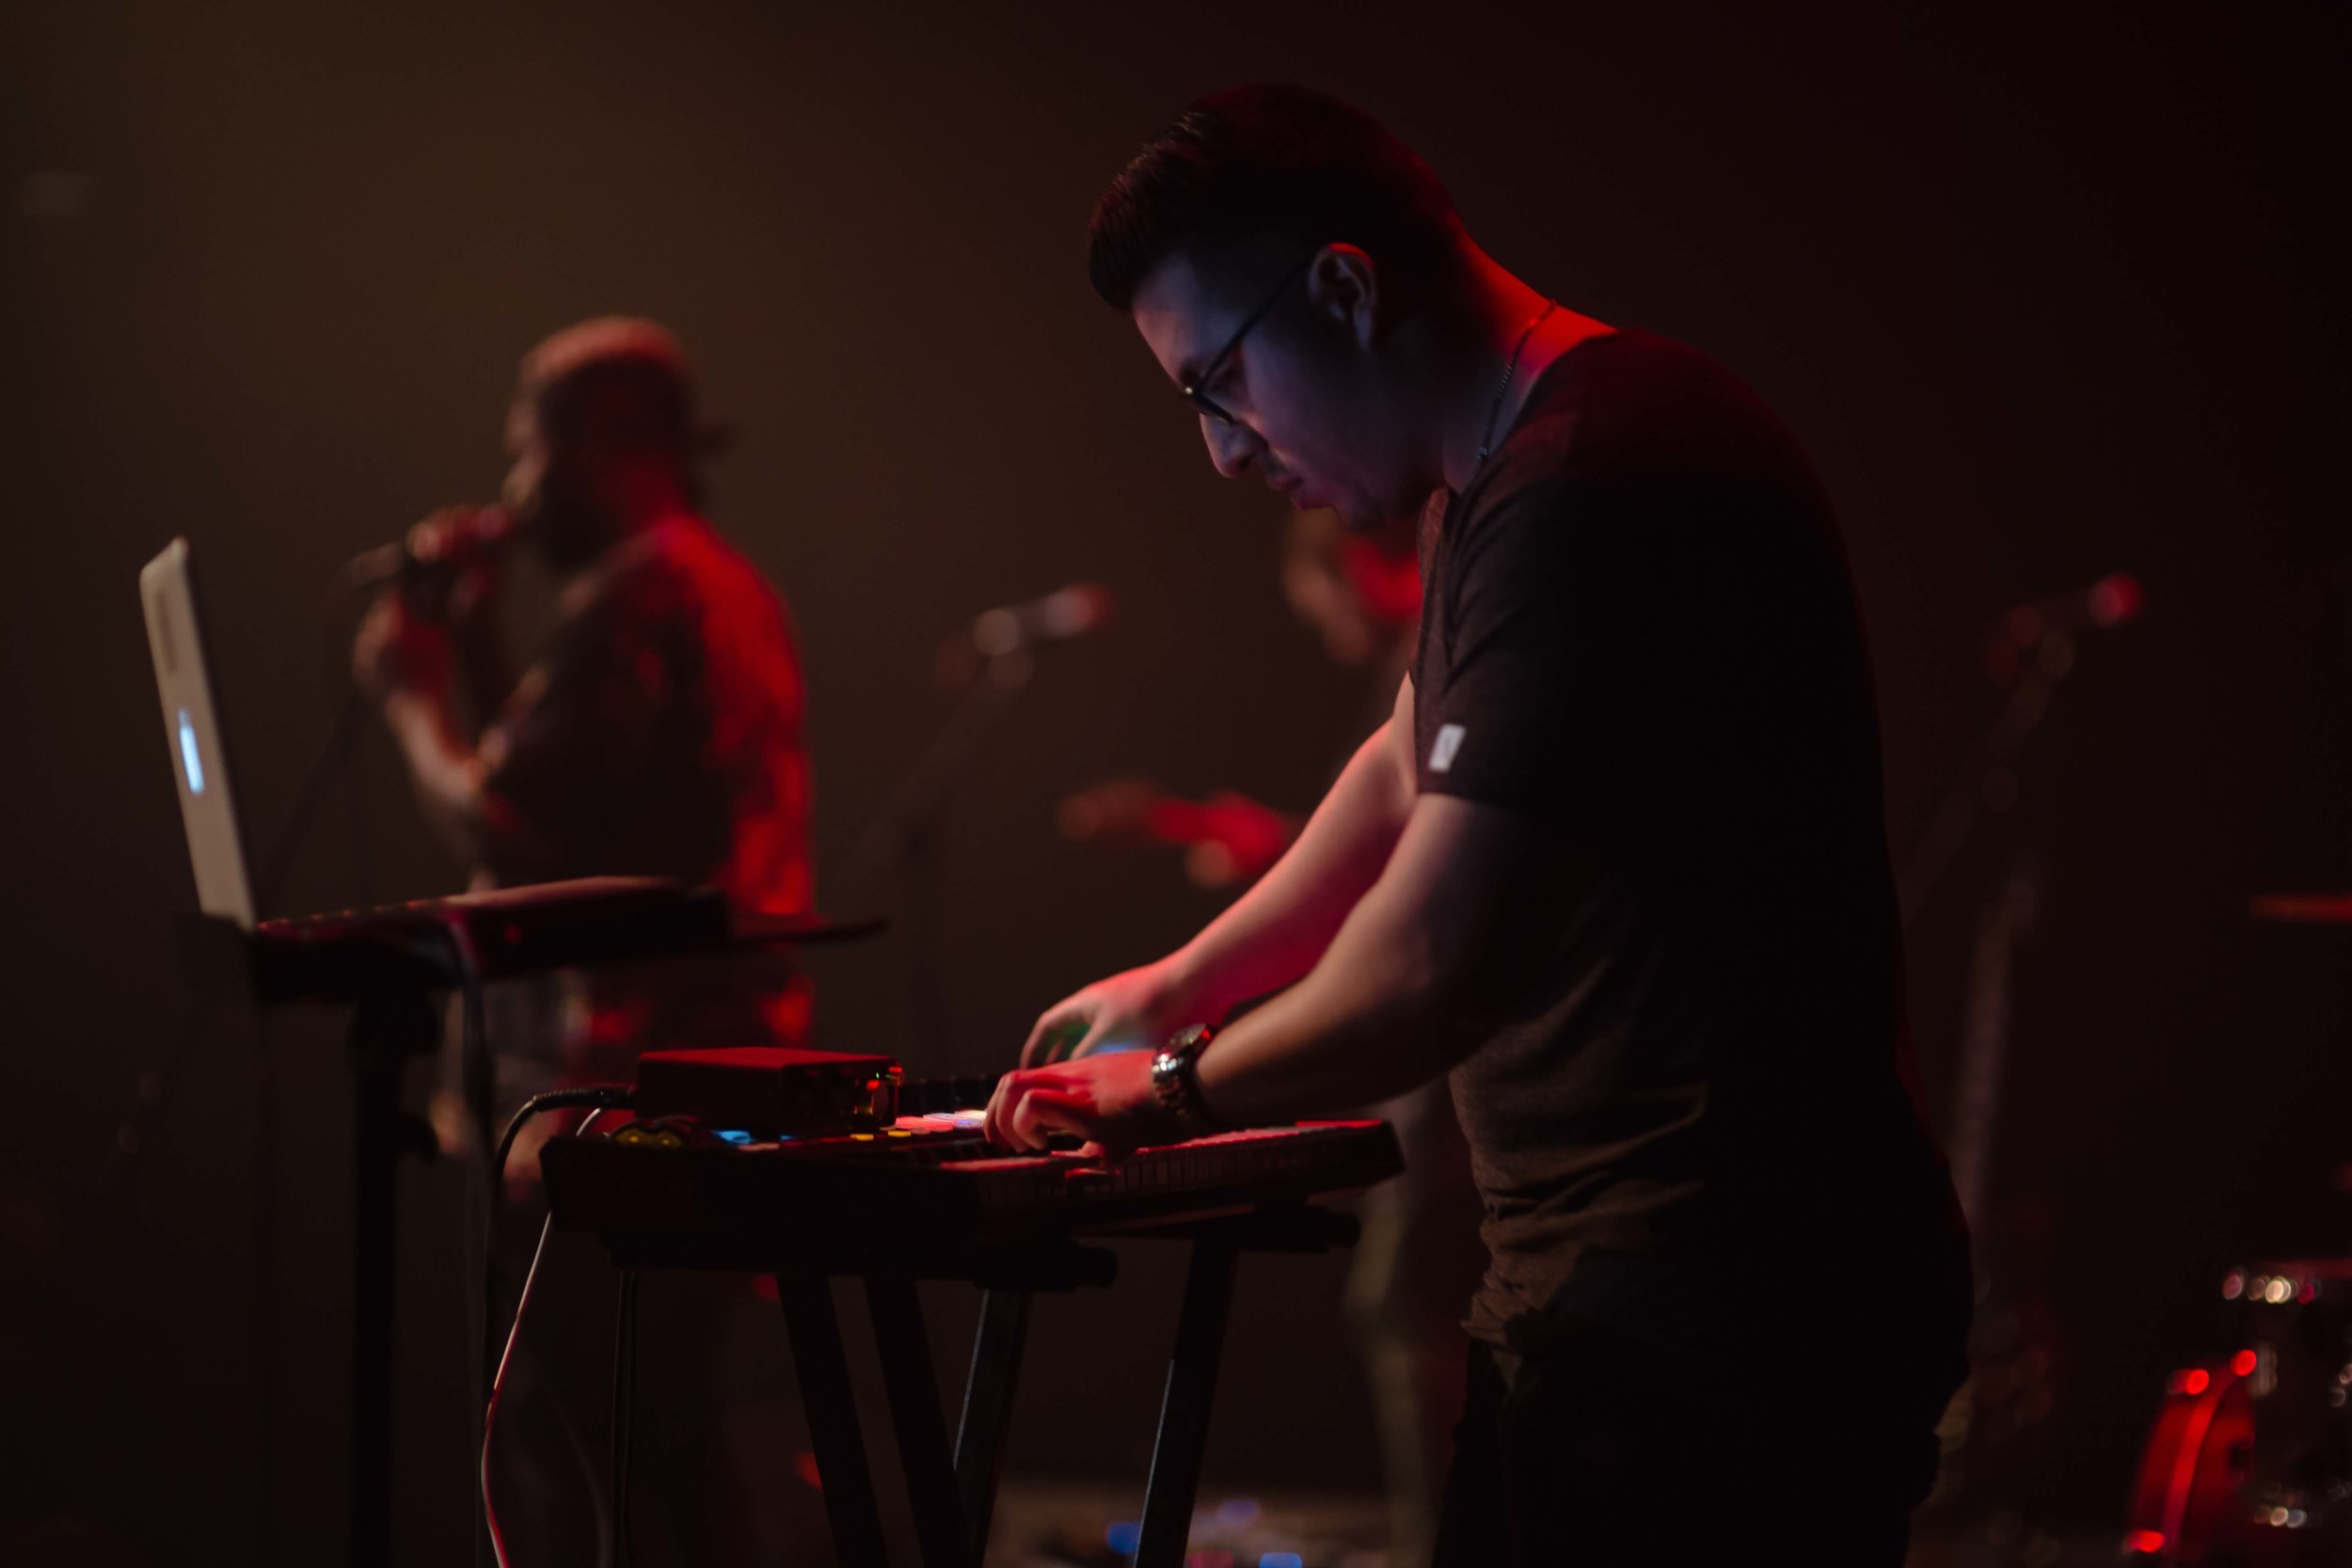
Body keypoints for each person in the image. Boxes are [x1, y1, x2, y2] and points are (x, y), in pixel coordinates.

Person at [984, 86, 1971, 1563]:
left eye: (1220, 384)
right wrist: (1178, 980)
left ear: (1343, 286)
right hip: (1637, 1292)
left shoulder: (1597, 478)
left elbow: (1433, 959)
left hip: (1720, 1307)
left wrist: (1171, 1090)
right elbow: (1400, 767)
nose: (1224, 452)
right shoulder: (1502, 482)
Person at [354, 316, 817, 1565]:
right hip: (713, 1069)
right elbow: (584, 796)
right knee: (651, 1434)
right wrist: (486, 643)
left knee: (623, 1448)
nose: (511, 489)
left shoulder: (638, 592)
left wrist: (413, 698)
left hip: (623, 1087)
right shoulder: (714, 583)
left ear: (609, 443)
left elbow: (512, 824)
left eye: (528, 451)